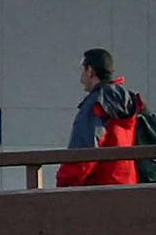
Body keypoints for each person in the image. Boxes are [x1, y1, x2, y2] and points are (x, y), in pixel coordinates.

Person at [58, 48, 146, 188]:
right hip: (129, 186)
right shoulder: (129, 101)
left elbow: (84, 153)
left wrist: (64, 184)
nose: (81, 77)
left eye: (83, 69)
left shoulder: (96, 103)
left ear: (90, 71)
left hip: (100, 190)